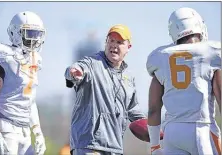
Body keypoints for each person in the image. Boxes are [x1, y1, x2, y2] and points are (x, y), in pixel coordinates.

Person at [146, 7, 221, 155]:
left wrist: (154, 146)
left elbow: (153, 108)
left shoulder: (159, 57)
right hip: (201, 129)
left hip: (173, 132)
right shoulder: (212, 52)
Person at [64, 24, 146, 155]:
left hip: (115, 147)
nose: (113, 45)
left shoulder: (128, 77)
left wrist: (150, 128)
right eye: (111, 40)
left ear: (128, 47)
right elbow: (76, 68)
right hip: (89, 145)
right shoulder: (92, 63)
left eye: (119, 42)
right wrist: (73, 72)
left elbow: (133, 109)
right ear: (106, 43)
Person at [0, 11, 46, 155]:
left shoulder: (35, 59)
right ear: (15, 33)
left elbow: (30, 100)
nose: (35, 39)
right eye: (31, 34)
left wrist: (38, 131)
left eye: (37, 34)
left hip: (25, 130)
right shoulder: (2, 55)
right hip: (7, 126)